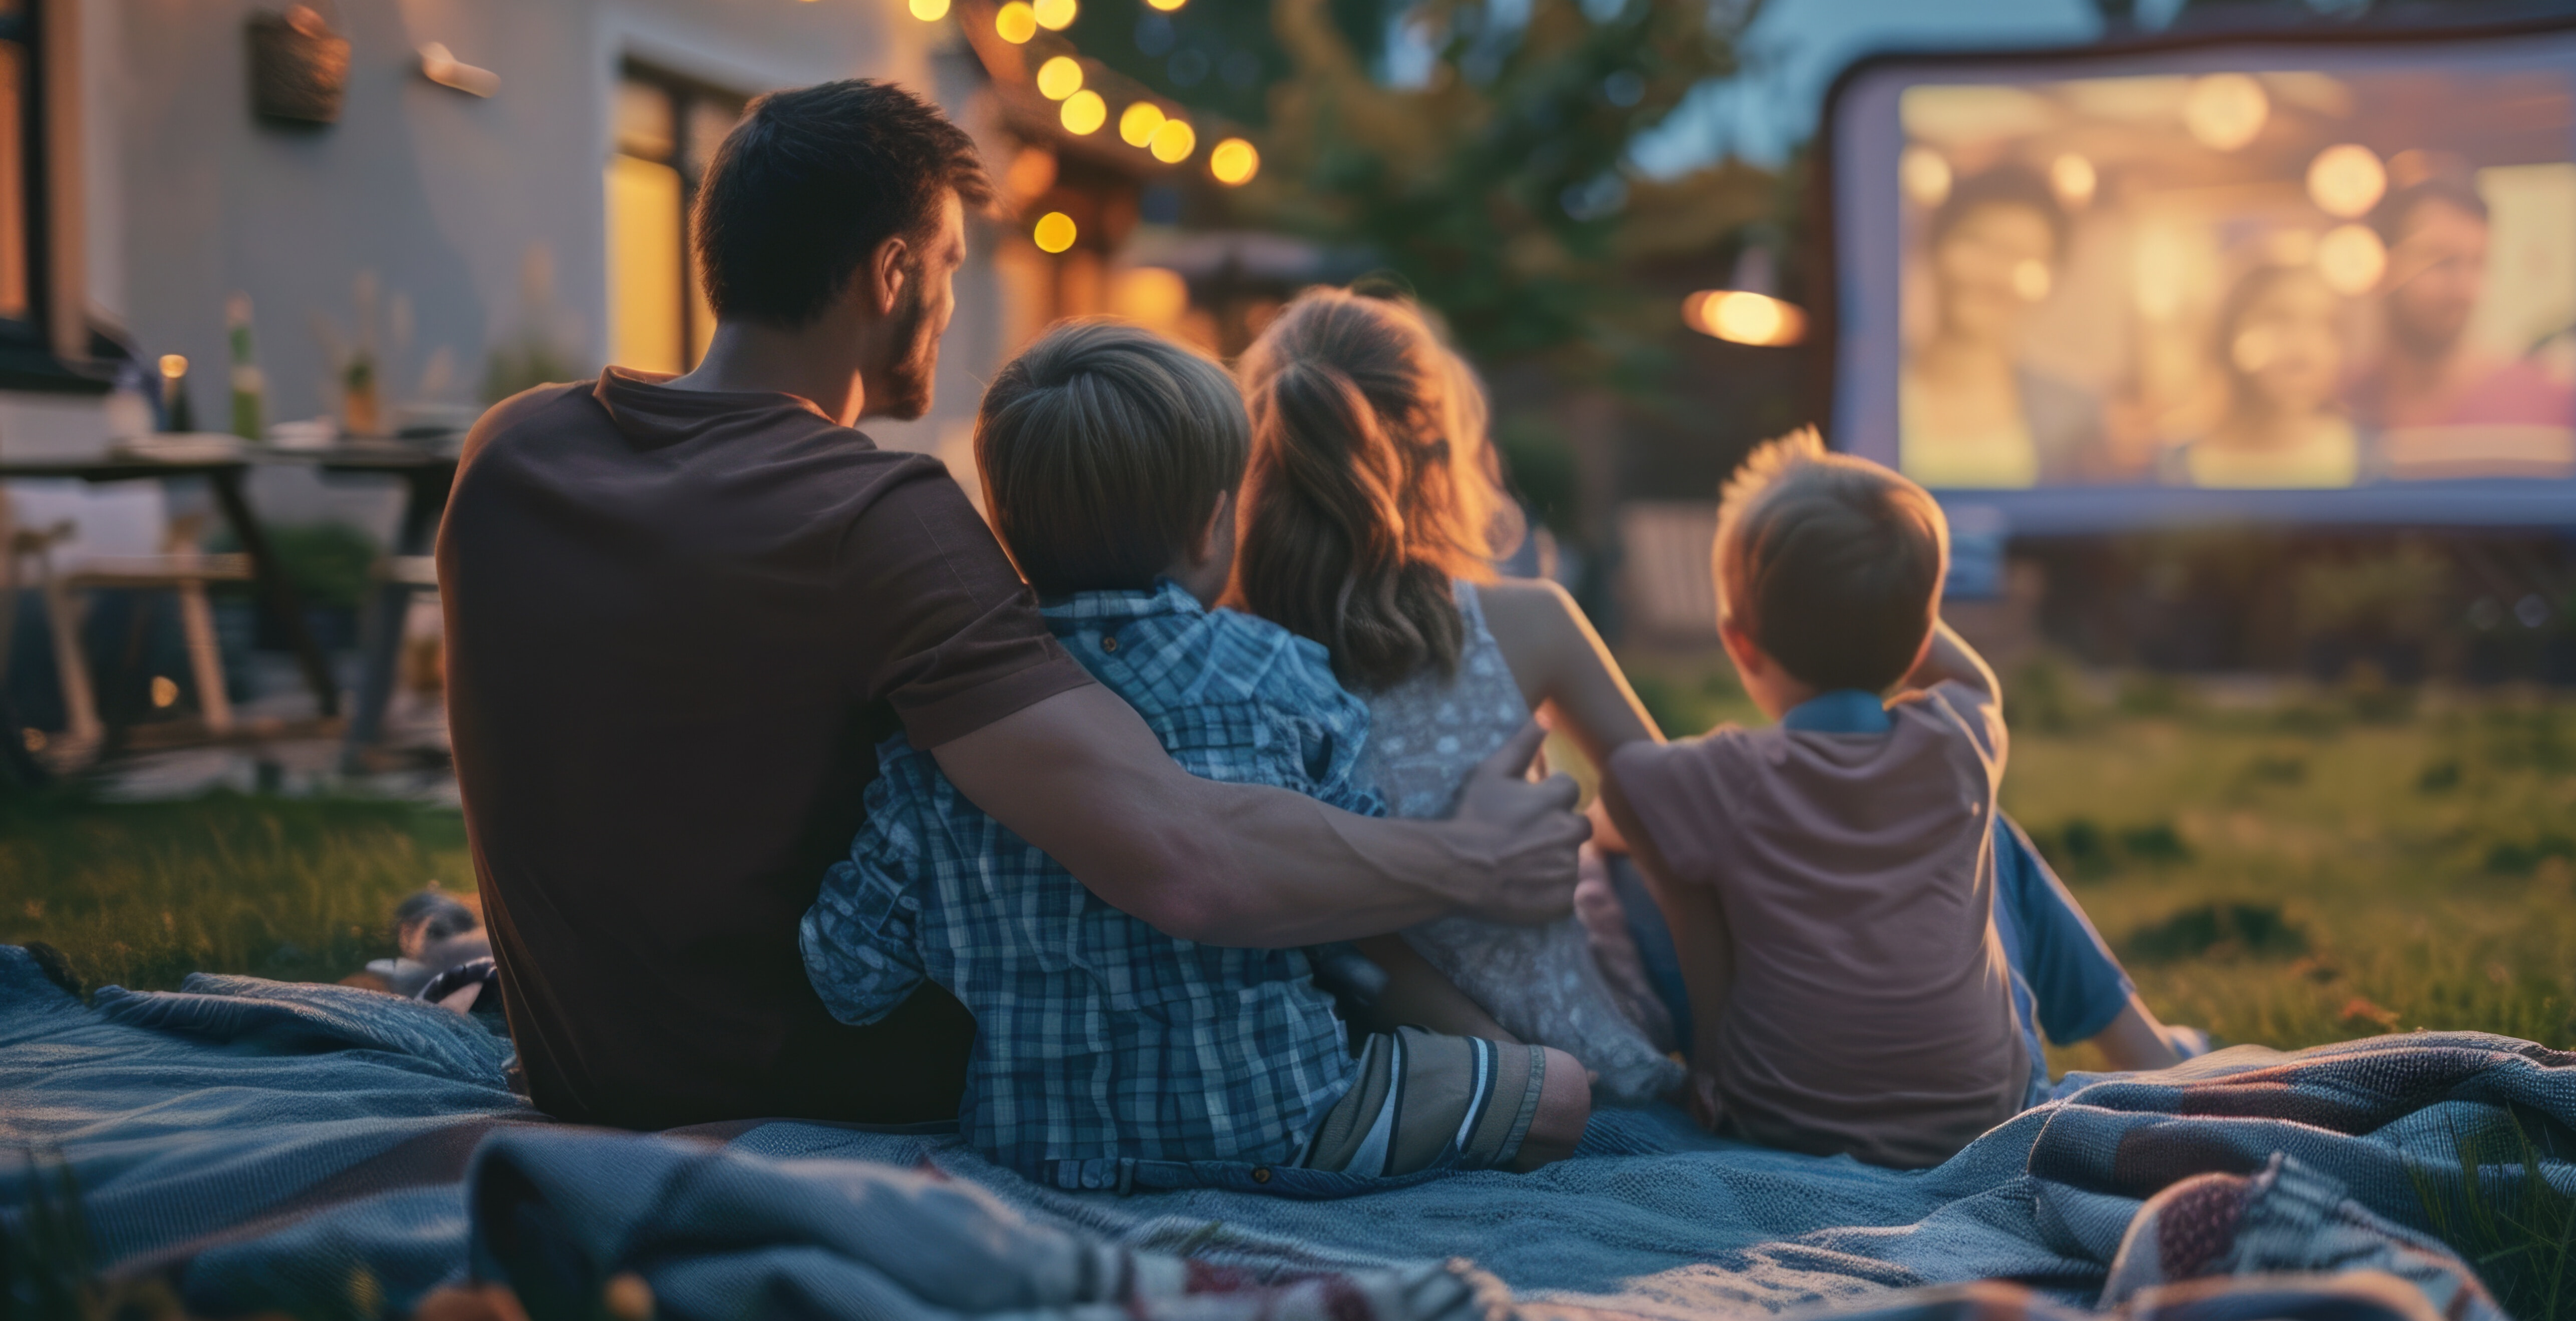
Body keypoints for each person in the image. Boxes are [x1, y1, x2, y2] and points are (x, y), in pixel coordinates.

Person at [439, 81, 1585, 1132]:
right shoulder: (874, 512)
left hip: (575, 1069)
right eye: (949, 263)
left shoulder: (512, 454)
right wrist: (1468, 859)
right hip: (812, 1086)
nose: (950, 299)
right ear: (891, 276)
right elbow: (1183, 857)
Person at [800, 321, 1588, 1189]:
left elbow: (850, 977)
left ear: (1003, 528)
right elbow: (1360, 902)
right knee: (1557, 1091)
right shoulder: (1284, 677)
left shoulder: (950, 733)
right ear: (1214, 525)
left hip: (1040, 1150)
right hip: (1293, 1124)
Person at [1604, 432, 2200, 1170]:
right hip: (1981, 1115)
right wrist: (1892, 603)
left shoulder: (1718, 777)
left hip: (1780, 1123)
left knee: (1649, 866)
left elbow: (1622, 786)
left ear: (1738, 643)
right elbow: (1978, 681)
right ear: (1921, 632)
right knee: (1993, 836)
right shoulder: (1956, 744)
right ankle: (2149, 1048)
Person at [1228, 287, 1681, 1106]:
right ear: (1437, 451)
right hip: (1579, 1048)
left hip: (1377, 1078)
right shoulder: (1529, 623)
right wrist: (1723, 1045)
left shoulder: (1225, 658)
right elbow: (1687, 821)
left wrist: (1498, 1063)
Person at [1897, 165, 2108, 489]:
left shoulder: (2073, 415)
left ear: (2051, 280)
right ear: (1934, 246)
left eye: (2023, 257)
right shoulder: (1875, 388)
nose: (1994, 274)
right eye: (1978, 243)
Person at [2343, 174, 2576, 443]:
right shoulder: (2334, 403)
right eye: (2442, 262)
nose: (2466, 291)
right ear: (2379, 266)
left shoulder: (2551, 406)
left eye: (2478, 263)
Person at [2159, 263, 2382, 490]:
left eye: (2326, 325)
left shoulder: (2366, 460)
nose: (2305, 348)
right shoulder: (2175, 470)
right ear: (2230, 335)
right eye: (2280, 319)